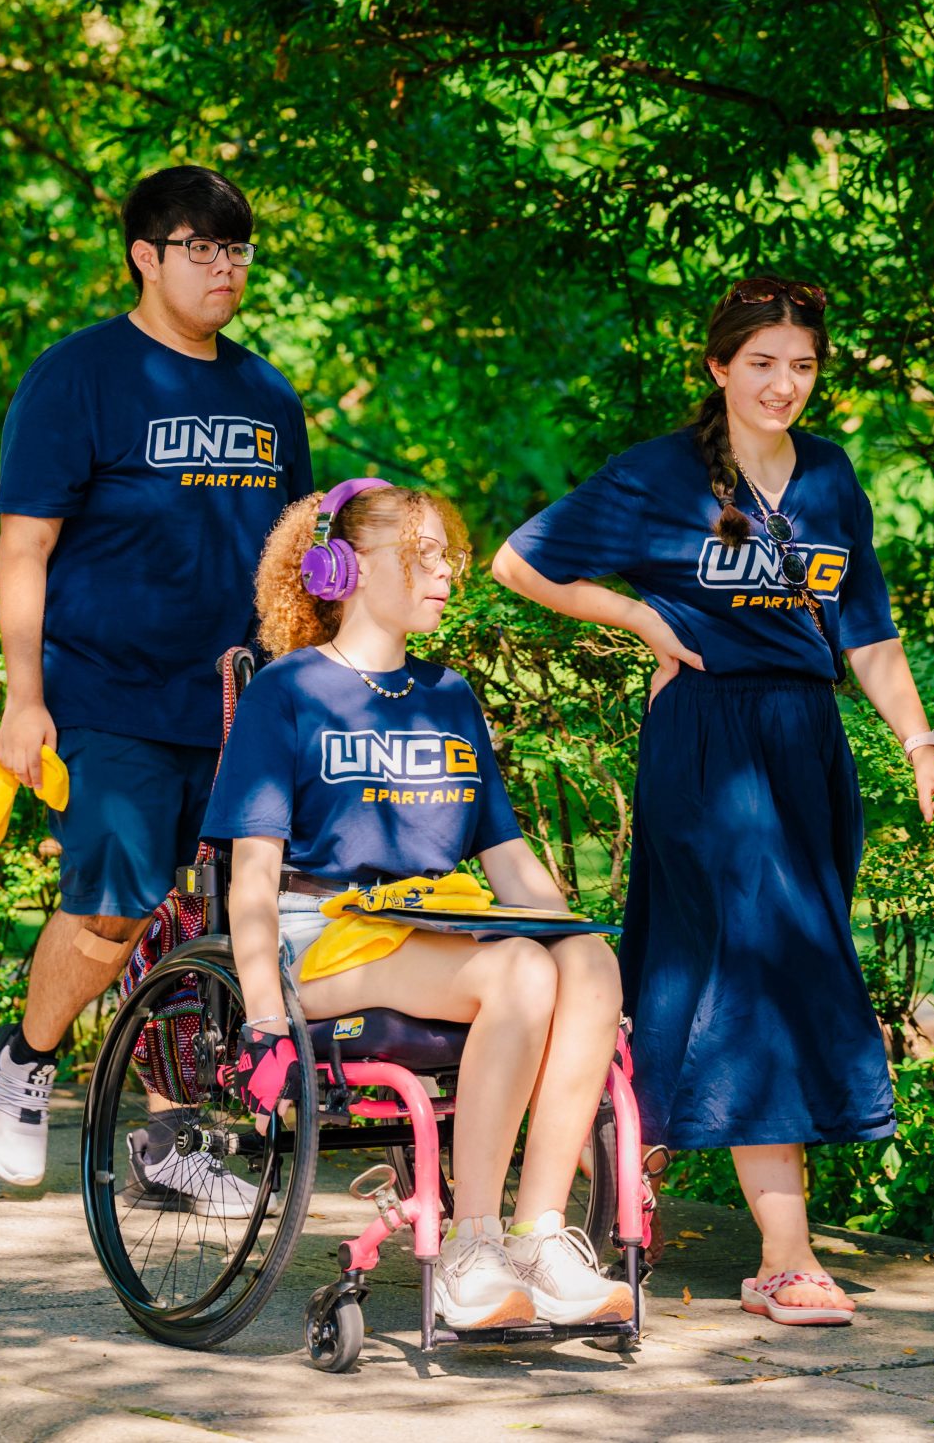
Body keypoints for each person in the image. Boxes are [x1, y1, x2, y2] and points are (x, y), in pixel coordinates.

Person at [492, 275, 934, 1328]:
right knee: (765, 963)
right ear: (718, 367)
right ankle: (785, 1252)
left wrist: (922, 742)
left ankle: (628, 1152)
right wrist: (639, 618)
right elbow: (517, 560)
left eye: (801, 366)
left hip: (807, 741)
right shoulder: (662, 474)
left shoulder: (832, 476)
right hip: (707, 738)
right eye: (761, 362)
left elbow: (868, 633)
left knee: (693, 960)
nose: (783, 384)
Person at [215, 480, 632, 1328]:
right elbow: (251, 872)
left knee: (586, 962)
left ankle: (540, 1235)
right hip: (324, 936)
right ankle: (468, 1247)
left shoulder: (449, 696)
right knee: (517, 970)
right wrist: (262, 1013)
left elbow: (508, 859)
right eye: (425, 554)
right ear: (353, 566)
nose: (447, 574)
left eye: (448, 557)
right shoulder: (286, 694)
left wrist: (579, 944)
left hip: (436, 925)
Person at [0, 165, 312, 1190]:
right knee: (116, 904)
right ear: (145, 256)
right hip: (107, 692)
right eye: (201, 248)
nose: (224, 268)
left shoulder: (266, 393)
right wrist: (22, 695)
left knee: (210, 926)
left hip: (236, 703)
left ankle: (172, 1144)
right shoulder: (78, 375)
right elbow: (26, 544)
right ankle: (27, 1057)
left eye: (238, 250)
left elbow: (297, 556)